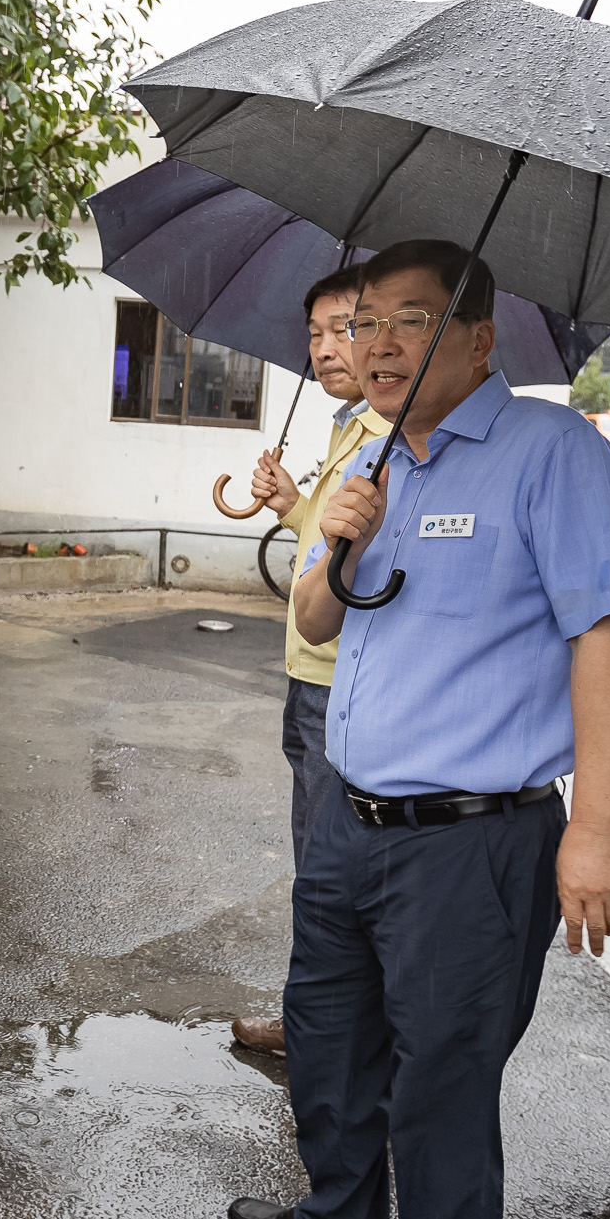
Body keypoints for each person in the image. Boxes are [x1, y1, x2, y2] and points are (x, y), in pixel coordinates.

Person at [224, 239, 610, 1219]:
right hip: (350, 819)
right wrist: (342, 526)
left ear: (477, 335)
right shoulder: (372, 455)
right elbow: (315, 608)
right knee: (328, 1034)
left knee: (440, 1084)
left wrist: (595, 828)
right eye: (364, 325)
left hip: (471, 841)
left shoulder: (548, 456)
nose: (379, 345)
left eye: (412, 320)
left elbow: (601, 637)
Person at [229, 266, 389, 1056]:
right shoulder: (348, 426)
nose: (327, 350)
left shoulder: (386, 436)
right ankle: (315, 1018)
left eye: (345, 330)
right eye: (317, 335)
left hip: (338, 684)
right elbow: (332, 547)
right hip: (308, 677)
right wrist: (293, 504)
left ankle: (323, 1031)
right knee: (314, 861)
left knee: (329, 873)